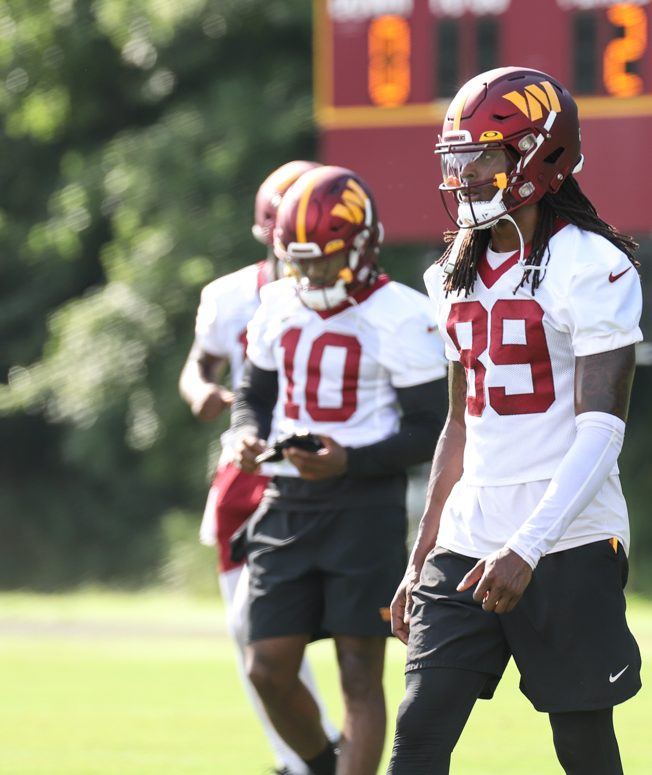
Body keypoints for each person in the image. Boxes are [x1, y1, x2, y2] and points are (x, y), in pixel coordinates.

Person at [386, 67, 644, 775]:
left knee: (583, 745)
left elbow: (602, 428)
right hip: (468, 538)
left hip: (567, 538)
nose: (466, 175)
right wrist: (421, 556)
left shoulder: (595, 266)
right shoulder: (449, 274)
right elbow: (458, 426)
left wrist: (528, 547)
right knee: (419, 734)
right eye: (458, 158)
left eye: (486, 157)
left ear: (542, 158)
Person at [230, 165, 449, 775]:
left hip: (364, 506)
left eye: (324, 261)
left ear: (361, 245)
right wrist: (246, 436)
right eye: (300, 261)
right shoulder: (276, 303)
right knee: (266, 667)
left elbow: (432, 428)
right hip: (287, 500)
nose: (312, 275)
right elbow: (253, 395)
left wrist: (350, 461)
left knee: (359, 668)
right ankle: (324, 766)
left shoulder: (402, 314)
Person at [179, 159, 336, 775]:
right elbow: (200, 366)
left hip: (328, 474)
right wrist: (201, 395)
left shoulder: (366, 303)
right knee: (253, 634)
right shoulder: (231, 297)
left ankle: (328, 757)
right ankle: (301, 760)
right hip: (250, 475)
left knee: (347, 634)